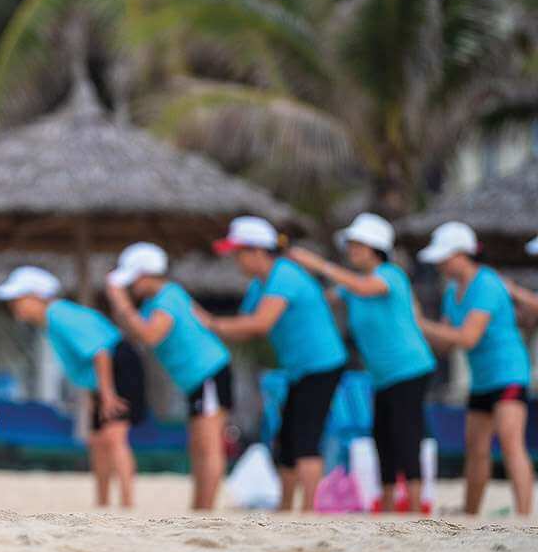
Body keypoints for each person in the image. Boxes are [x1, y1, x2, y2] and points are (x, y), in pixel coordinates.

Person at [288, 213, 436, 512]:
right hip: (382, 375)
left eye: (357, 245)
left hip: (410, 368)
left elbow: (364, 287)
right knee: (382, 436)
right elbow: (327, 297)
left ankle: (418, 505)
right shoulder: (351, 287)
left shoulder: (391, 274)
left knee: (406, 434)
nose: (351, 250)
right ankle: (391, 505)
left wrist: (318, 264)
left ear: (375, 248)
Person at [202, 216, 348, 512]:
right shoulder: (262, 284)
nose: (235, 260)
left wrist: (209, 323)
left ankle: (309, 510)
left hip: (322, 364)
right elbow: (244, 324)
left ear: (257, 252)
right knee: (287, 438)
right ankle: (285, 507)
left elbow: (258, 324)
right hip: (300, 368)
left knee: (306, 436)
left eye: (239, 252)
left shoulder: (285, 275)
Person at [0, 266, 145, 508]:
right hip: (105, 376)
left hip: (118, 367)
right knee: (98, 440)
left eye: (18, 298)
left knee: (115, 437)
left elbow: (101, 352)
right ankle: (103, 504)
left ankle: (128, 505)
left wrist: (107, 395)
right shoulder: (53, 319)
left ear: (38, 297)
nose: (13, 305)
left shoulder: (59, 315)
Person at [415, 221, 533, 516]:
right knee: (476, 449)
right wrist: (416, 326)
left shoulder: (487, 284)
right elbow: (445, 343)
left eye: (443, 257)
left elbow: (467, 337)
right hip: (481, 379)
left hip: (508, 372)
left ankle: (524, 516)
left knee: (510, 443)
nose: (439, 263)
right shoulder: (452, 291)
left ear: (461, 254)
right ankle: (470, 514)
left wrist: (420, 323)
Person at [103, 242, 232, 511]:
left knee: (208, 445)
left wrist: (122, 302)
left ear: (147, 274)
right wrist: (123, 307)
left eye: (133, 279)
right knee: (198, 445)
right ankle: (200, 509)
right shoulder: (159, 300)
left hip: (208, 371)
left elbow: (150, 335)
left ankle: (205, 511)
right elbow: (138, 332)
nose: (132, 286)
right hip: (198, 377)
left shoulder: (167, 296)